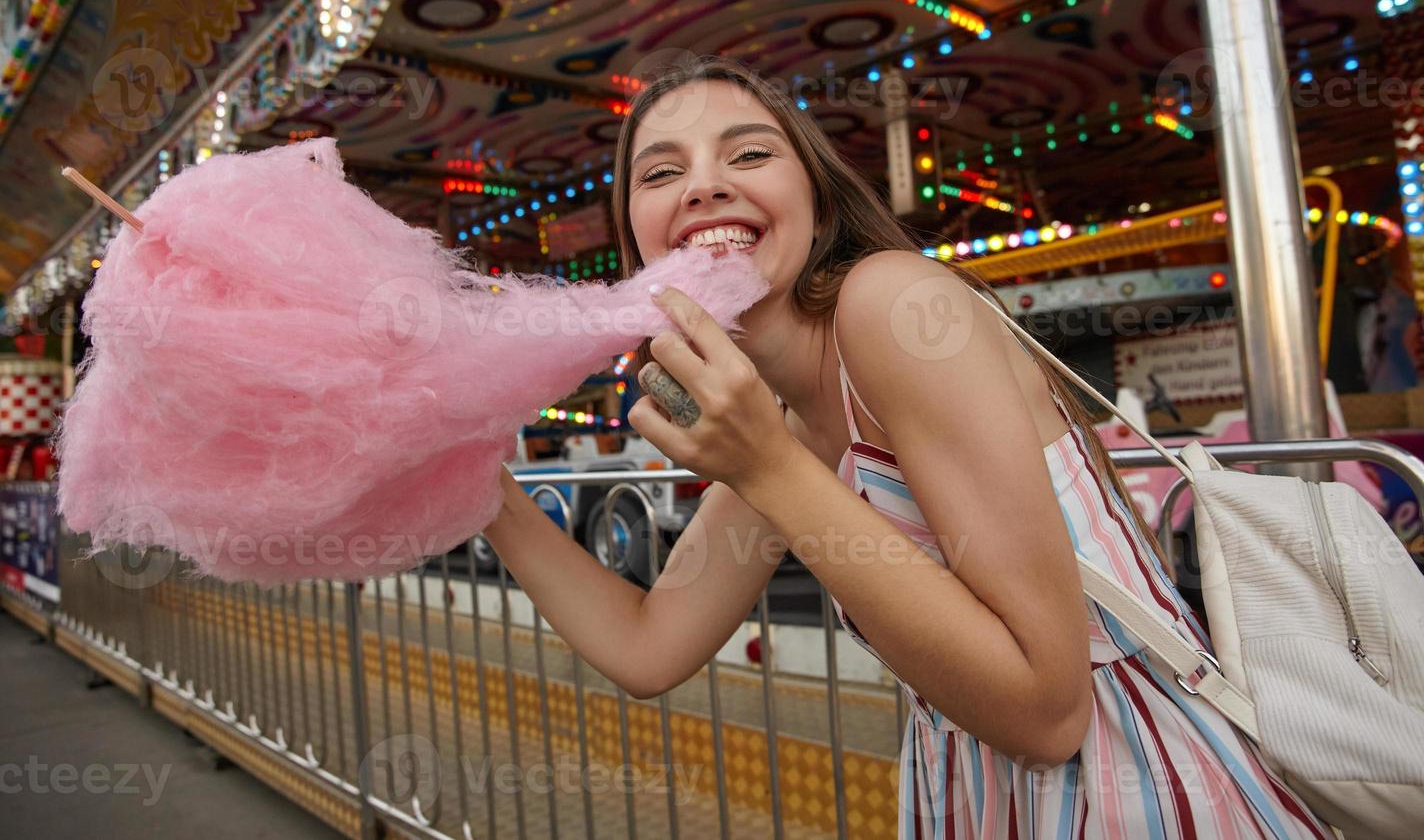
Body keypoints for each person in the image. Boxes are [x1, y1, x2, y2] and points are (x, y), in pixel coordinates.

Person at [481, 57, 1334, 838]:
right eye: (662, 173)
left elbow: (1048, 713)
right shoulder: (790, 421)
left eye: (747, 156)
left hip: (1137, 792)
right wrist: (483, 492)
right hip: (973, 797)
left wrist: (766, 468)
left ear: (815, 203)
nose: (703, 188)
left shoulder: (891, 307)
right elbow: (649, 646)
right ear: (636, 245)